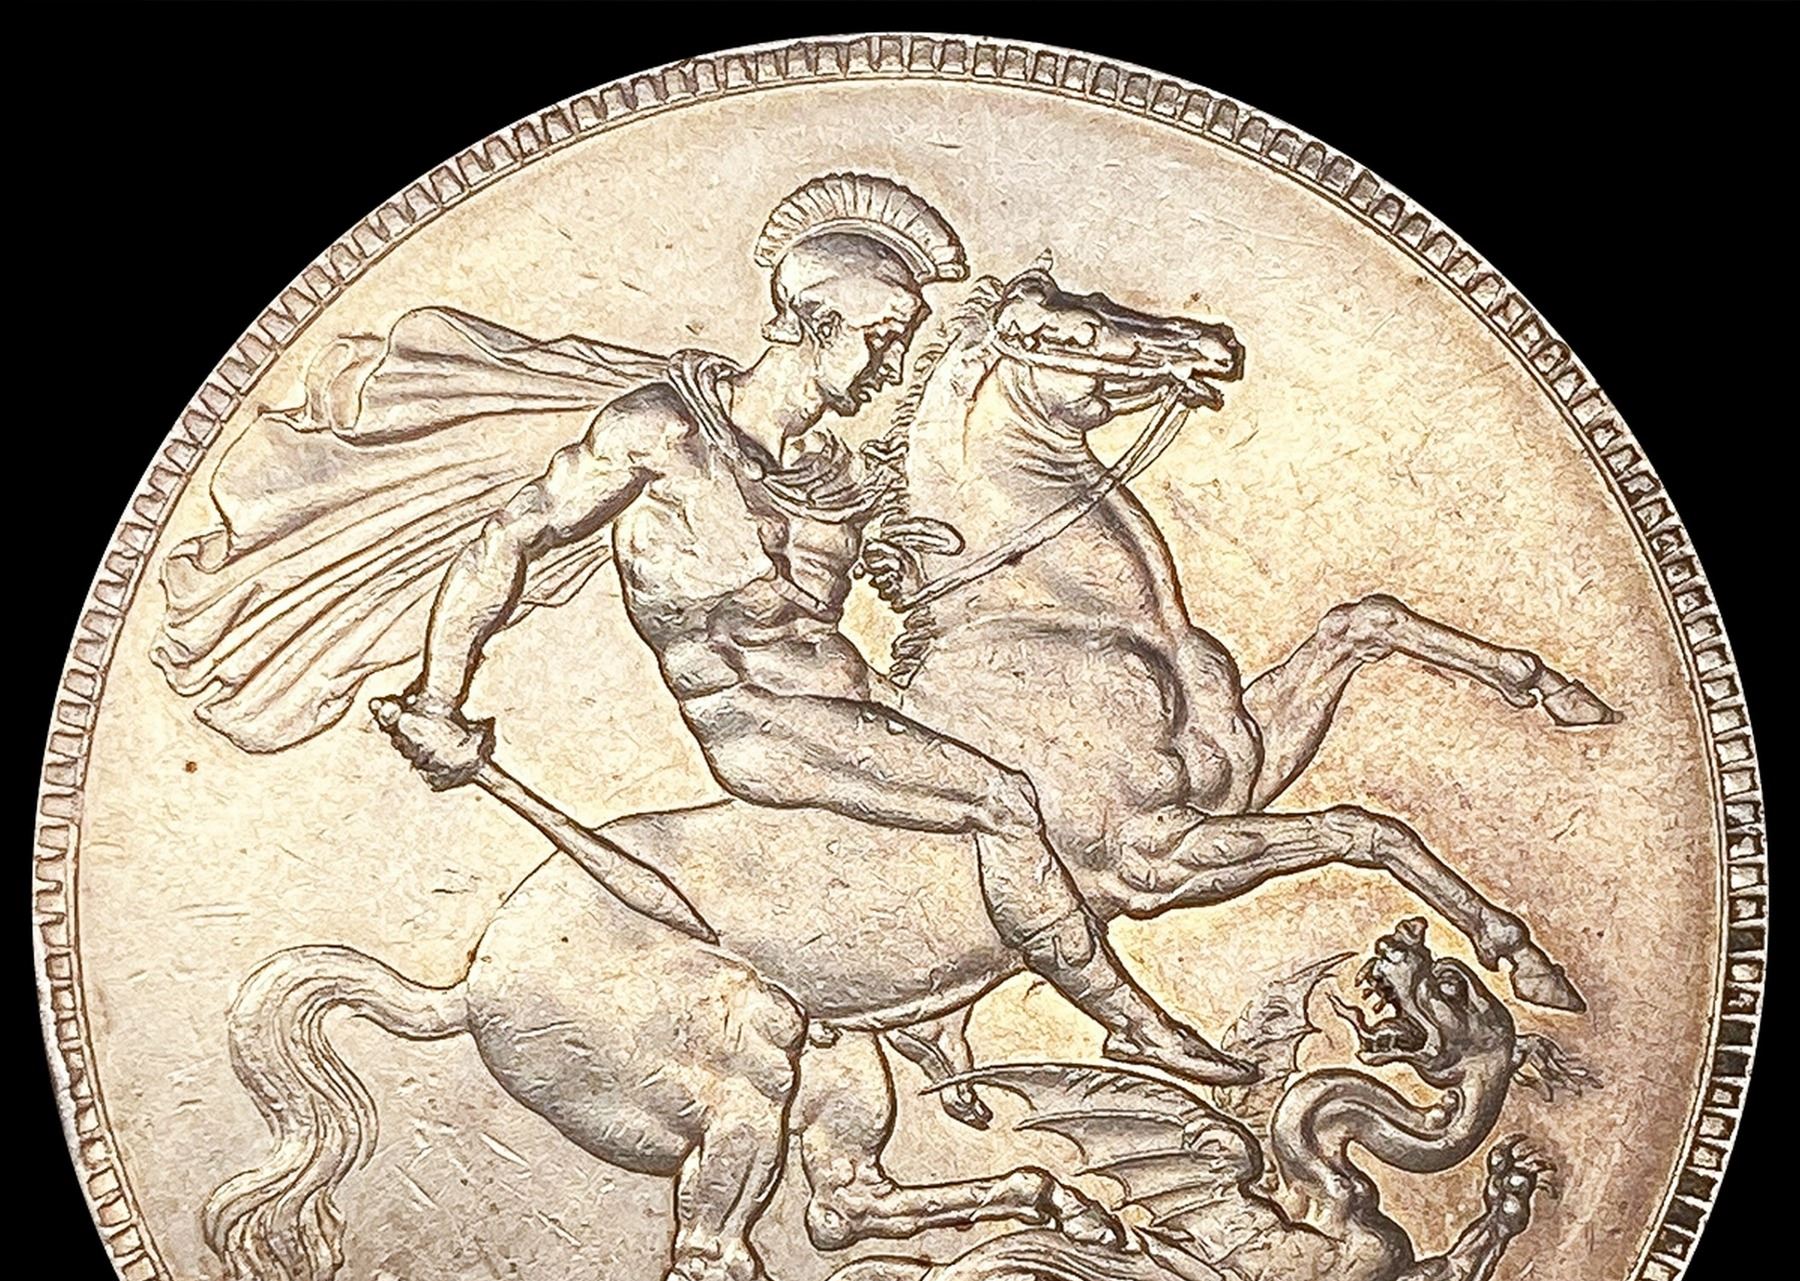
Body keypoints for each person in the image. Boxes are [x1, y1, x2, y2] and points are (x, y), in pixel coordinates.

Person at [383, 172, 1255, 1086]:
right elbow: (510, 538)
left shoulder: (831, 472)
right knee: (1003, 800)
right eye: (881, 337)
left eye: (901, 343)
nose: (890, 367)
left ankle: (944, 1001)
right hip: (759, 721)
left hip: (863, 698)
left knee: (1064, 772)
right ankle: (1132, 1023)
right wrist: (438, 697)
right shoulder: (661, 434)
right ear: (813, 321)